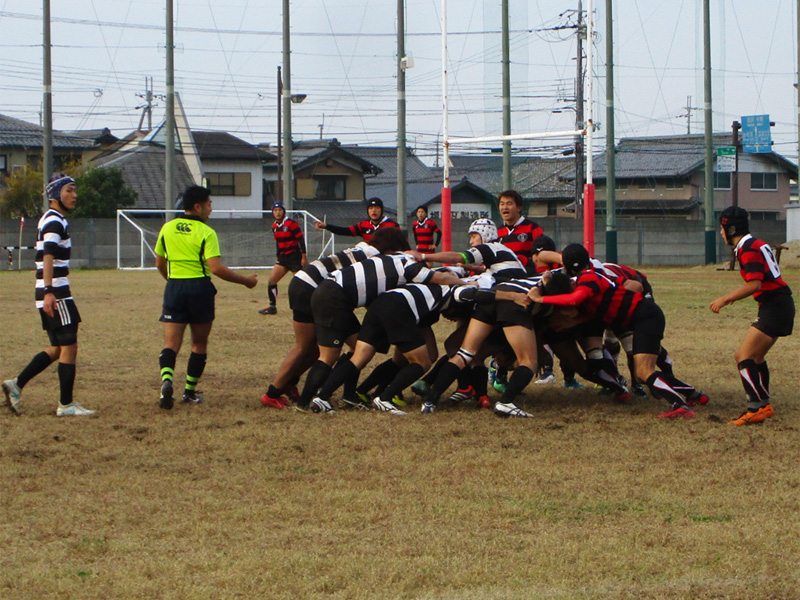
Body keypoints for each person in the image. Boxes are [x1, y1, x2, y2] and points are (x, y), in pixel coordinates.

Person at [529, 244, 709, 419]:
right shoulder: (591, 279)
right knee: (642, 372)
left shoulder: (588, 278)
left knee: (644, 372)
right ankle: (694, 395)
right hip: (642, 317)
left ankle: (680, 406)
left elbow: (577, 297)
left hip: (645, 317)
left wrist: (541, 298)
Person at [154, 185, 258, 409]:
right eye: (209, 204)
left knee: (171, 343)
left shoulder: (167, 228)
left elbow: (160, 263)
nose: (211, 209)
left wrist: (171, 280)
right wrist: (246, 281)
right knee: (199, 344)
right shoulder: (207, 233)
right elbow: (216, 268)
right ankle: (189, 392)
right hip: (199, 289)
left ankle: (166, 381)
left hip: (175, 287)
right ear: (197, 206)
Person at [3, 174, 95, 417]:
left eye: (74, 191)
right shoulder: (55, 221)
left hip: (50, 290)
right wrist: (49, 292)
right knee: (69, 346)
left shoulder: (49, 218)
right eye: (69, 190)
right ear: (56, 194)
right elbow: (48, 256)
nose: (74, 195)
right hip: (56, 292)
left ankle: (16, 384)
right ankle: (66, 405)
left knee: (58, 347)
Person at [710, 206, 794, 426]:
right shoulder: (756, 243)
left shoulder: (747, 248)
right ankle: (764, 405)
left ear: (731, 228)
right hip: (778, 304)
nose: (721, 233)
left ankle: (754, 408)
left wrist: (725, 299)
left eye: (722, 228)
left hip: (775, 305)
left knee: (743, 356)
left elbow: (754, 283)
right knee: (756, 357)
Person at [259, 200, 307, 315]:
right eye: (275, 210)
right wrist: (277, 255)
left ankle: (307, 306)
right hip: (283, 258)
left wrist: (304, 257)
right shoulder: (274, 226)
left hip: (294, 257)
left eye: (280, 210)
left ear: (284, 211)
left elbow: (301, 239)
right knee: (271, 281)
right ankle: (272, 307)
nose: (277, 212)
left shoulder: (291, 224)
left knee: (301, 283)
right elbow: (278, 242)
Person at [496, 189, 544, 274]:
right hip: (503, 276)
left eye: (509, 203)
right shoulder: (498, 232)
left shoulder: (532, 228)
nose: (504, 207)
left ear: (519, 207)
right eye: (502, 204)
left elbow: (541, 256)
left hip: (527, 276)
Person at [314, 197, 400, 243]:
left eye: (377, 208)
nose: (374, 210)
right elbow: (345, 231)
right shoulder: (363, 225)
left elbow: (403, 244)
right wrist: (326, 226)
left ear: (382, 210)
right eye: (371, 208)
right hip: (370, 261)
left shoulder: (392, 226)